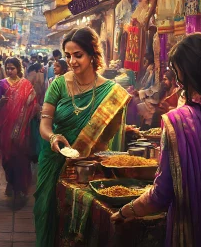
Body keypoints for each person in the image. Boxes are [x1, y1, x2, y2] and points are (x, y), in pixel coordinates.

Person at [111, 33, 201, 246]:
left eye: (178, 74)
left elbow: (161, 194)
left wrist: (126, 211)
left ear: (186, 76)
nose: (177, 82)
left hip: (198, 232)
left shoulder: (179, 122)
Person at [34, 27, 130, 246]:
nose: (72, 61)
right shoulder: (59, 84)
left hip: (88, 168)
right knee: (49, 215)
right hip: (54, 162)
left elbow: (107, 141)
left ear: (92, 55)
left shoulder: (110, 92)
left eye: (78, 55)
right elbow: (45, 124)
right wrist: (53, 138)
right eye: (68, 56)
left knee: (82, 227)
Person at [0, 57, 38, 204]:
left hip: (22, 130)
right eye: (7, 68)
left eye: (12, 68)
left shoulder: (26, 85)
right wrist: (0, 102)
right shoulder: (3, 83)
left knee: (21, 161)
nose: (10, 71)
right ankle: (11, 182)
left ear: (18, 68)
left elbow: (33, 104)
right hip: (5, 128)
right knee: (7, 159)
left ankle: (19, 191)